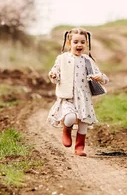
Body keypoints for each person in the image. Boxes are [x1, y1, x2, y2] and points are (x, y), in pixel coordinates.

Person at [46, 27, 109, 156]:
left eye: (82, 42)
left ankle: (79, 147)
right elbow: (55, 73)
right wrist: (53, 75)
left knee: (83, 123)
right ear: (69, 43)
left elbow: (103, 77)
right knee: (70, 117)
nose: (79, 45)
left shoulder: (87, 60)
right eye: (75, 42)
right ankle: (66, 130)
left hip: (84, 97)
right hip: (67, 97)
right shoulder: (62, 59)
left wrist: (100, 77)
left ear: (86, 43)